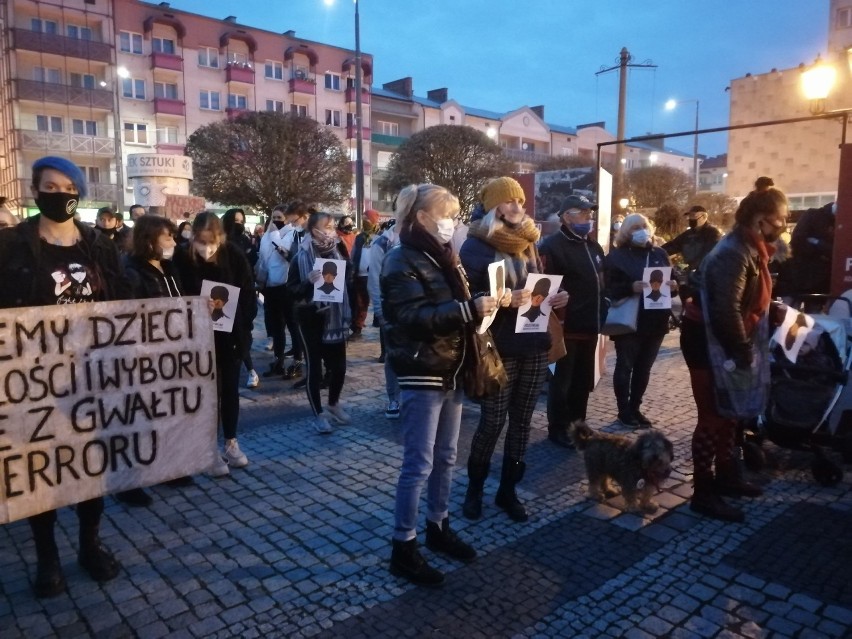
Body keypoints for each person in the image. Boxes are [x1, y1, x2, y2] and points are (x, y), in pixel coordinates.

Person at [0, 156, 128, 597]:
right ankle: (47, 556)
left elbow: (123, 304)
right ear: (36, 191)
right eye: (48, 187)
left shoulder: (98, 245)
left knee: (89, 467)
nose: (59, 194)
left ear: (79, 191)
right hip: (33, 382)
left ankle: (90, 545)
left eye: (67, 186)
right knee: (41, 471)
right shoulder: (12, 245)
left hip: (90, 378)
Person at [382, 183, 497, 587]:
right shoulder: (401, 259)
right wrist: (468, 308)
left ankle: (438, 524)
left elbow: (454, 304)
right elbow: (411, 316)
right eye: (445, 214)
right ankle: (404, 546)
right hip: (422, 369)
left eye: (454, 214)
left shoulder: (446, 255)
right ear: (422, 218)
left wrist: (488, 300)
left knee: (447, 456)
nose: (452, 222)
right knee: (419, 463)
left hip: (453, 366)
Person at [459, 177, 568, 523]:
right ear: (493, 206)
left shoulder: (529, 242)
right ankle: (474, 490)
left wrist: (554, 299)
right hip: (498, 346)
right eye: (508, 202)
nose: (517, 207)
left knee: (521, 423)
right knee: (492, 422)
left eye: (520, 201)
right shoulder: (475, 245)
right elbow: (470, 299)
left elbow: (535, 288)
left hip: (533, 342)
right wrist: (505, 300)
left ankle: (508, 491)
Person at [683, 180, 788, 523]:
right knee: (713, 415)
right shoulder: (734, 252)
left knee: (730, 412)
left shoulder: (749, 248)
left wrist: (771, 312)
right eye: (780, 220)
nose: (782, 227)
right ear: (760, 220)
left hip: (723, 338)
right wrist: (742, 350)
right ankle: (703, 491)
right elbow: (726, 309)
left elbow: (745, 300)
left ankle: (727, 475)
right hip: (708, 340)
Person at [173, 211, 256, 476]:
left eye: (212, 240)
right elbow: (176, 295)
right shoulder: (182, 258)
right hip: (196, 337)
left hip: (229, 336)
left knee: (230, 391)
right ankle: (207, 449)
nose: (207, 247)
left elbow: (247, 293)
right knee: (206, 395)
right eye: (201, 240)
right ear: (193, 238)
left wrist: (243, 325)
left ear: (220, 237)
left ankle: (230, 441)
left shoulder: (233, 255)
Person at [124, 214, 193, 489]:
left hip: (172, 352)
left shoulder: (169, 267)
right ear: (148, 239)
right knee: (142, 416)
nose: (173, 242)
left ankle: (169, 467)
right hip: (145, 355)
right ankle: (133, 481)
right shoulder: (131, 272)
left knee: (167, 412)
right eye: (167, 236)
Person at [539, 194, 607, 447]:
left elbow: (602, 282)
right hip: (566, 328)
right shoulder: (551, 246)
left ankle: (578, 425)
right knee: (562, 383)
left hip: (590, 325)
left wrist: (605, 305)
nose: (589, 217)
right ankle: (558, 429)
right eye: (584, 212)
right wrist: (559, 296)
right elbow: (543, 284)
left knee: (582, 383)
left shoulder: (593, 246)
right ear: (567, 216)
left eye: (590, 213)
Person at [605, 213, 678, 428]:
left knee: (644, 368)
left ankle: (636, 407)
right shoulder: (617, 257)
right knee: (625, 365)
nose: (641, 230)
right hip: (629, 320)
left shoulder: (660, 254)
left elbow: (672, 282)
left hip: (656, 320)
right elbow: (608, 289)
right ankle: (623, 410)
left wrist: (674, 286)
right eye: (636, 226)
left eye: (644, 225)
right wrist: (630, 287)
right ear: (627, 231)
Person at [286, 211, 351, 433]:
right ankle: (319, 413)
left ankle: (333, 403)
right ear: (314, 230)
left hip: (335, 317)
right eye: (327, 226)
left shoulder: (339, 248)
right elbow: (292, 290)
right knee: (314, 368)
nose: (331, 230)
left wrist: (345, 272)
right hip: (310, 318)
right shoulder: (300, 256)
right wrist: (308, 282)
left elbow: (348, 274)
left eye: (333, 226)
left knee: (339, 367)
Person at [222, 208, 260, 388]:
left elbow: (252, 260)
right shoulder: (223, 242)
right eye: (235, 220)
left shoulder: (245, 239)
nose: (238, 224)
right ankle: (246, 366)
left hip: (245, 290)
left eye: (241, 220)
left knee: (243, 332)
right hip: (226, 291)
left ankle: (248, 367)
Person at [257, 204, 296, 377]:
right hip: (270, 285)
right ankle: (278, 360)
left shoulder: (291, 233)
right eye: (274, 217)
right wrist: (261, 277)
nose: (276, 221)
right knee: (276, 325)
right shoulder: (267, 234)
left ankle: (297, 361)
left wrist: (273, 234)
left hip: (285, 284)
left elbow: (284, 252)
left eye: (280, 218)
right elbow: (263, 257)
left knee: (293, 324)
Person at [368, 217, 401, 417]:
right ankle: (394, 398)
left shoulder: (423, 238)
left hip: (414, 310)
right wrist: (381, 313)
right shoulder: (383, 243)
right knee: (392, 355)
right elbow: (374, 280)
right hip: (391, 312)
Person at [662, 205, 722, 304]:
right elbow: (673, 245)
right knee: (686, 299)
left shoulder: (713, 233)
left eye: (694, 216)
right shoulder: (687, 235)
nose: (691, 219)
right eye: (690, 216)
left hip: (708, 275)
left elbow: (709, 254)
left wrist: (694, 267)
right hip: (691, 275)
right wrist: (656, 251)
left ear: (704, 217)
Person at [349, 209, 380, 339]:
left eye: (367, 218)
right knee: (360, 302)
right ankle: (357, 328)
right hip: (359, 275)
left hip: (375, 275)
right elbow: (354, 253)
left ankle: (381, 324)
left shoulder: (380, 237)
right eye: (363, 219)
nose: (365, 221)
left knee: (378, 301)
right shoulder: (359, 237)